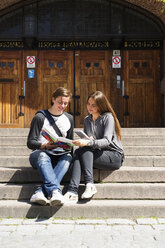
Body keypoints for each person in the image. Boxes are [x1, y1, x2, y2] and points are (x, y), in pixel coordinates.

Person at [64, 91, 124, 203]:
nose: (90, 107)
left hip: (114, 155)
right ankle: (72, 191)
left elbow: (106, 141)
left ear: (101, 105)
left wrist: (89, 143)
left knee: (83, 149)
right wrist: (87, 140)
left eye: (93, 105)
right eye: (88, 104)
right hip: (96, 153)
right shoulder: (87, 119)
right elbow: (90, 141)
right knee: (79, 151)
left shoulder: (108, 117)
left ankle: (88, 185)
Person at [27, 87, 73, 206]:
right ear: (53, 99)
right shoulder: (40, 117)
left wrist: (67, 146)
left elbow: (70, 142)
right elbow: (30, 142)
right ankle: (55, 191)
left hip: (60, 154)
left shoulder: (69, 118)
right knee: (42, 155)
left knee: (68, 157)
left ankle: (40, 192)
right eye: (59, 102)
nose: (62, 105)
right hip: (40, 154)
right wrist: (45, 146)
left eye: (65, 103)